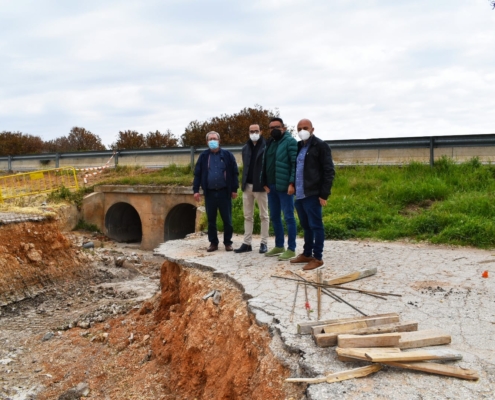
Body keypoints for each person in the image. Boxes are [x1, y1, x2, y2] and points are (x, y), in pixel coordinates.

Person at [290, 119, 335, 271]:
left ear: (312, 129)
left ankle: (318, 257)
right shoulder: (299, 146)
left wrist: (324, 194)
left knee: (316, 226)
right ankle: (307, 254)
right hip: (300, 194)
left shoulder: (320, 146)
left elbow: (329, 171)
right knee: (306, 226)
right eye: (299, 128)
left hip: (313, 194)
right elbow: (297, 169)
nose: (302, 130)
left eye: (305, 128)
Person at [193, 131, 239, 252]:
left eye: (214, 138)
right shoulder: (203, 156)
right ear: (207, 142)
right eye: (210, 139)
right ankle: (213, 243)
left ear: (219, 140)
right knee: (211, 220)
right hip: (210, 193)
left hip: (224, 192)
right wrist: (196, 190)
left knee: (227, 220)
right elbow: (197, 174)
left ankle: (228, 242)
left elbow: (235, 173)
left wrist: (234, 189)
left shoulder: (227, 155)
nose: (212, 141)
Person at [261, 117, 298, 260]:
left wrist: (292, 183)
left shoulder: (290, 142)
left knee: (288, 217)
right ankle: (279, 245)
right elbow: (264, 164)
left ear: (284, 128)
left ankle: (291, 248)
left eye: (277, 127)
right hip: (271, 187)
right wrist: (263, 182)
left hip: (285, 186)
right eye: (271, 128)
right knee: (275, 217)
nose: (274, 130)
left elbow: (295, 164)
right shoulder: (269, 143)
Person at [234, 124, 269, 254]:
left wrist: (266, 182)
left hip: (260, 186)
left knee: (264, 215)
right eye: (251, 131)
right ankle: (247, 243)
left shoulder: (266, 146)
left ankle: (264, 243)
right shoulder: (245, 148)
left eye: (256, 131)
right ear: (248, 132)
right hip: (247, 186)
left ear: (261, 131)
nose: (254, 133)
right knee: (247, 216)